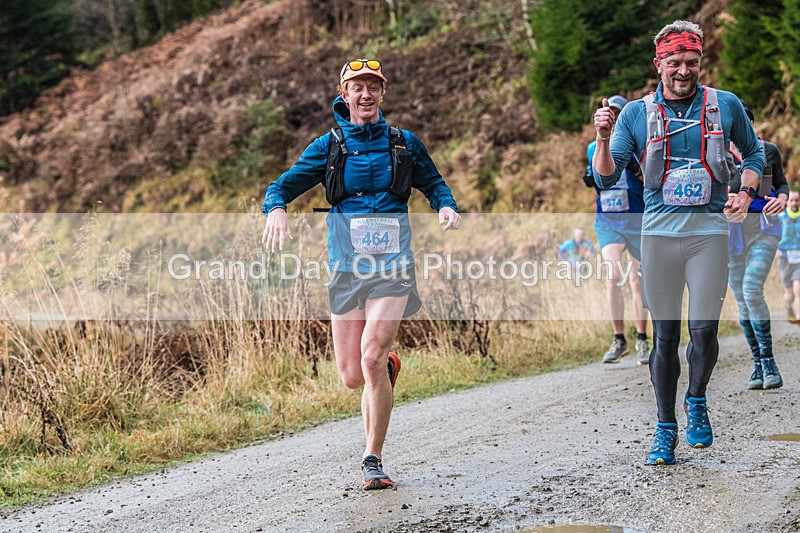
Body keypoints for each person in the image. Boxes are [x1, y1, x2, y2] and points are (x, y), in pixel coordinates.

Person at [261, 58, 461, 490]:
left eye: (373, 87)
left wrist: (446, 205)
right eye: (358, 88)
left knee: (369, 357)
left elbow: (435, 184)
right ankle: (387, 367)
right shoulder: (329, 146)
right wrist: (276, 208)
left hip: (392, 267)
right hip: (345, 267)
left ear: (382, 93)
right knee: (353, 376)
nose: (366, 94)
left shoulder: (403, 143)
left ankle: (373, 459)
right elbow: (281, 185)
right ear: (344, 93)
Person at [592, 20, 762, 466]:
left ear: (700, 61)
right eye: (674, 63)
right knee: (665, 337)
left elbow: (757, 153)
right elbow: (606, 175)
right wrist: (603, 139)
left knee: (703, 331)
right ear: (658, 64)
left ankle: (697, 400)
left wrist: (745, 192)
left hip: (708, 236)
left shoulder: (725, 105)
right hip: (659, 239)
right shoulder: (634, 114)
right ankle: (665, 427)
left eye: (691, 62)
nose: (683, 71)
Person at [582, 95, 650, 365]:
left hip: (637, 220)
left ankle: (642, 339)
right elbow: (594, 175)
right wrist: (589, 176)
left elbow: (649, 178)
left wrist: (636, 166)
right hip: (608, 221)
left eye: (619, 113)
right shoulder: (593, 146)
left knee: (637, 280)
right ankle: (618, 338)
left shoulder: (639, 144)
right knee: (612, 275)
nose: (614, 117)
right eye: (610, 112)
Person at [727, 101, 789, 390]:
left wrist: (784, 199)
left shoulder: (768, 150)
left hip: (765, 229)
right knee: (742, 300)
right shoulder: (716, 158)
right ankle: (757, 364)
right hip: (730, 236)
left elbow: (783, 185)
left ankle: (769, 360)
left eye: (742, 124)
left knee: (752, 289)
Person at [778, 190, 800, 323]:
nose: (794, 203)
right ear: (787, 201)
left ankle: (798, 317)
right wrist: (775, 249)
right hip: (785, 257)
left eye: (797, 200)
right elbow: (772, 235)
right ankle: (788, 307)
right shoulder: (781, 217)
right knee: (789, 293)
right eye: (791, 200)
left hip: (799, 258)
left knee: (799, 288)